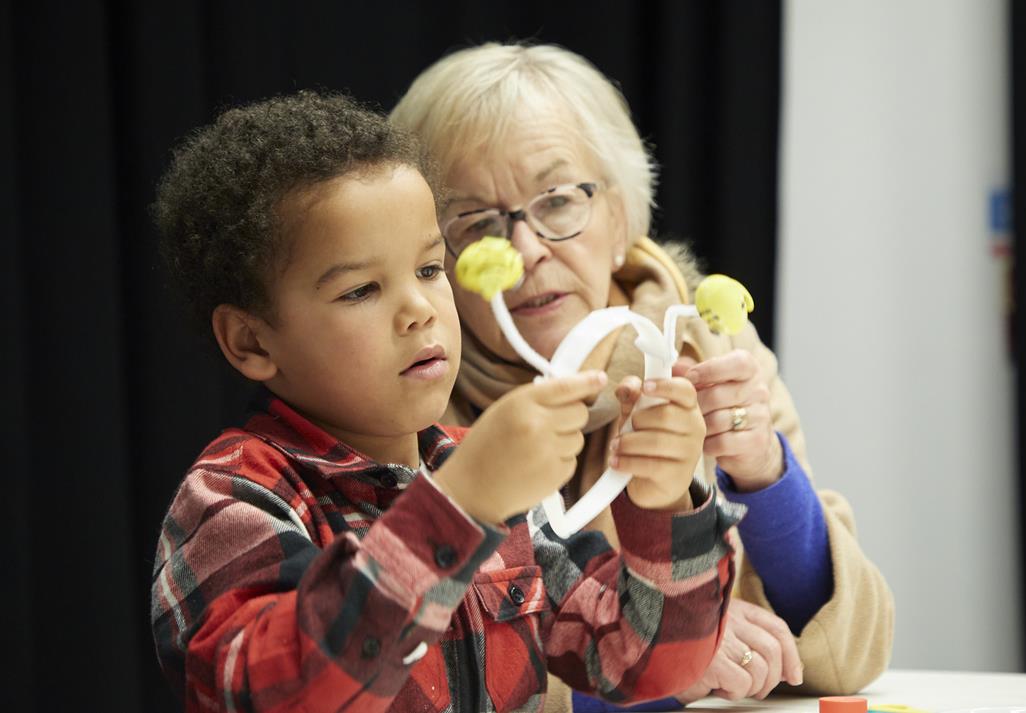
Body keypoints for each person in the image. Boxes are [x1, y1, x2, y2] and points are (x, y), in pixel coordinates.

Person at [149, 91, 746, 712]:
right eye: (360, 291)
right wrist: (459, 505)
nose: (419, 310)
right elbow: (288, 693)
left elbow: (646, 664)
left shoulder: (487, 482)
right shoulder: (233, 499)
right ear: (250, 341)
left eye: (431, 269)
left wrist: (666, 501)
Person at [391, 42, 895, 710]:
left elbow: (841, 657)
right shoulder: (402, 398)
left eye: (558, 200)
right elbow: (401, 676)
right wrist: (663, 661)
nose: (527, 249)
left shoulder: (702, 342)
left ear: (622, 214)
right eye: (476, 222)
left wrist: (765, 473)